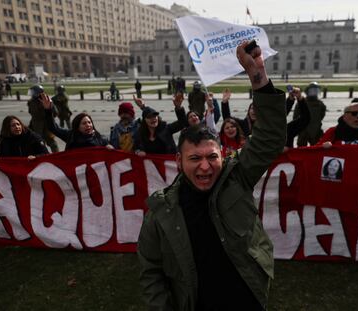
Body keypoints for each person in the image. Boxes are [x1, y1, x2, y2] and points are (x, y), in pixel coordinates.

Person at [138, 41, 286, 311]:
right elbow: (151, 273)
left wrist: (258, 76)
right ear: (179, 162)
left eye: (211, 157)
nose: (205, 167)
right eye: (194, 158)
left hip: (247, 300)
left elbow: (271, 137)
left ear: (223, 157)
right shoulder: (160, 212)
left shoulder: (236, 177)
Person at [40, 93, 111, 150]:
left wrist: (110, 147)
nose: (88, 125)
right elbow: (53, 127)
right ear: (77, 126)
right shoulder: (71, 136)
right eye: (84, 123)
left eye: (89, 122)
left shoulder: (101, 139)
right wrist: (48, 110)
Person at [27, 85, 59, 153]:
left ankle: (56, 156)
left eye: (33, 92)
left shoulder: (47, 101)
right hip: (37, 126)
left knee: (51, 143)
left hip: (46, 126)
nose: (32, 94)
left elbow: (55, 113)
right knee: (40, 143)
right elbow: (31, 113)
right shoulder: (31, 102)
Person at [293, 82, 326, 146]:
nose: (314, 93)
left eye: (316, 91)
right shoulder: (301, 102)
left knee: (316, 150)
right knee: (301, 150)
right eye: (312, 91)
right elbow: (295, 117)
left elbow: (321, 115)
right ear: (307, 92)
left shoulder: (320, 104)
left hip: (316, 130)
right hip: (303, 130)